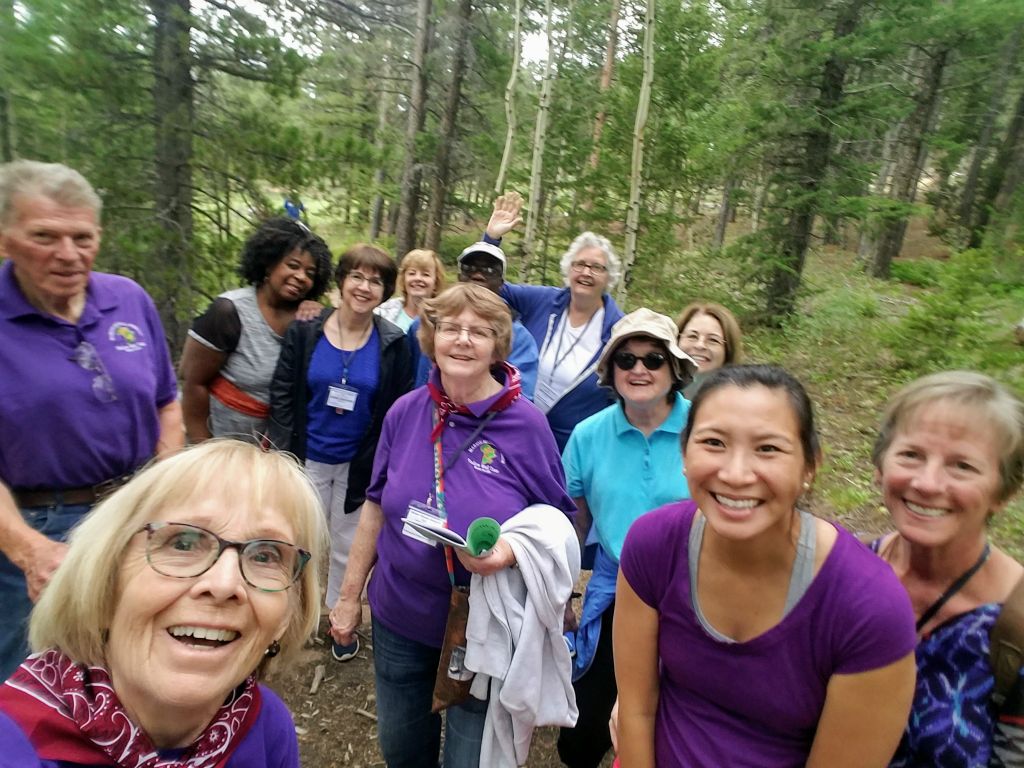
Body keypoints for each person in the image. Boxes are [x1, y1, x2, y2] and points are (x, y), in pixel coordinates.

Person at [614, 364, 918, 767]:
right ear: (684, 454)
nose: (736, 474)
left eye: (768, 449)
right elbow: (636, 710)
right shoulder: (654, 544)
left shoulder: (867, 606)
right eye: (714, 442)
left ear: (810, 466)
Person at [329, 283, 577, 768]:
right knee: (402, 751)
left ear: (497, 345)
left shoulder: (526, 426)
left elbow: (556, 521)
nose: (463, 340)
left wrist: (507, 552)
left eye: (478, 331)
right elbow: (376, 506)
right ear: (431, 336)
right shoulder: (406, 411)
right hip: (399, 615)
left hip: (483, 625)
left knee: (469, 759)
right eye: (451, 328)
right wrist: (346, 596)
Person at [0, 440, 328, 767]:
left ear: (286, 616)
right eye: (183, 542)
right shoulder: (17, 742)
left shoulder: (265, 725)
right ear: (104, 581)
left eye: (265, 555)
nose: (224, 584)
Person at [0, 160, 183, 683]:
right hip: (37, 529)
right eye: (45, 236)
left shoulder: (127, 299)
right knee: (32, 681)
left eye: (82, 237)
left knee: (129, 661)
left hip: (133, 515)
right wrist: (27, 549)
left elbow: (166, 402)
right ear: (5, 240)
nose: (67, 254)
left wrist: (165, 481)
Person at [558, 309, 695, 768]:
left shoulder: (705, 430)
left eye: (654, 359)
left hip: (693, 595)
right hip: (615, 590)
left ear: (674, 369)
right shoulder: (587, 436)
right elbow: (572, 523)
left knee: (673, 721)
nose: (639, 369)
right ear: (611, 370)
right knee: (583, 730)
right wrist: (563, 595)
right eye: (626, 359)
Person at [868, 371, 1024, 765]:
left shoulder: (1015, 625)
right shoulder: (841, 573)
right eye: (911, 455)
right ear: (880, 467)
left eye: (963, 467)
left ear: (1003, 493)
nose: (927, 482)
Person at [268, 243, 412, 662]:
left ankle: (337, 618)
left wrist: (387, 463)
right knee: (298, 537)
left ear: (385, 291)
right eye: (357, 276)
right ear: (342, 281)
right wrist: (280, 448)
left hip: (358, 461)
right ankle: (293, 615)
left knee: (350, 543)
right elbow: (283, 392)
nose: (364, 287)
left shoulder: (393, 343)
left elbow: (395, 407)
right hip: (305, 455)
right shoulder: (305, 331)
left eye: (375, 280)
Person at [485, 192, 624, 452]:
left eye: (596, 267)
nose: (585, 272)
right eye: (579, 264)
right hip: (511, 435)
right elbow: (487, 287)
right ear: (568, 269)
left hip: (570, 451)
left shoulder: (619, 330)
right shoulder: (543, 301)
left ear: (609, 277)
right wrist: (491, 239)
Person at [179, 217, 333, 444]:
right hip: (220, 448)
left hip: (277, 453)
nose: (301, 277)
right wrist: (203, 448)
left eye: (310, 273)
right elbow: (192, 382)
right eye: (293, 265)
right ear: (269, 263)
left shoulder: (309, 320)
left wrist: (323, 317)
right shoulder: (229, 312)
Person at [406, 241, 539, 399]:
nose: (477, 275)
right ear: (459, 276)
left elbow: (520, 398)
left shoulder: (519, 339)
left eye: (489, 270)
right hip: (423, 416)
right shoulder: (426, 322)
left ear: (502, 284)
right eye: (469, 268)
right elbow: (405, 379)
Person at [675, 301, 744, 398]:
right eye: (692, 336)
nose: (700, 345)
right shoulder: (653, 394)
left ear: (728, 351)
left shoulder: (739, 401)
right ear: (677, 340)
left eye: (713, 340)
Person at [375, 248, 447, 332]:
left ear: (436, 283)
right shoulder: (382, 312)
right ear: (403, 279)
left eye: (425, 274)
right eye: (412, 273)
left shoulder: (445, 317)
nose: (418, 278)